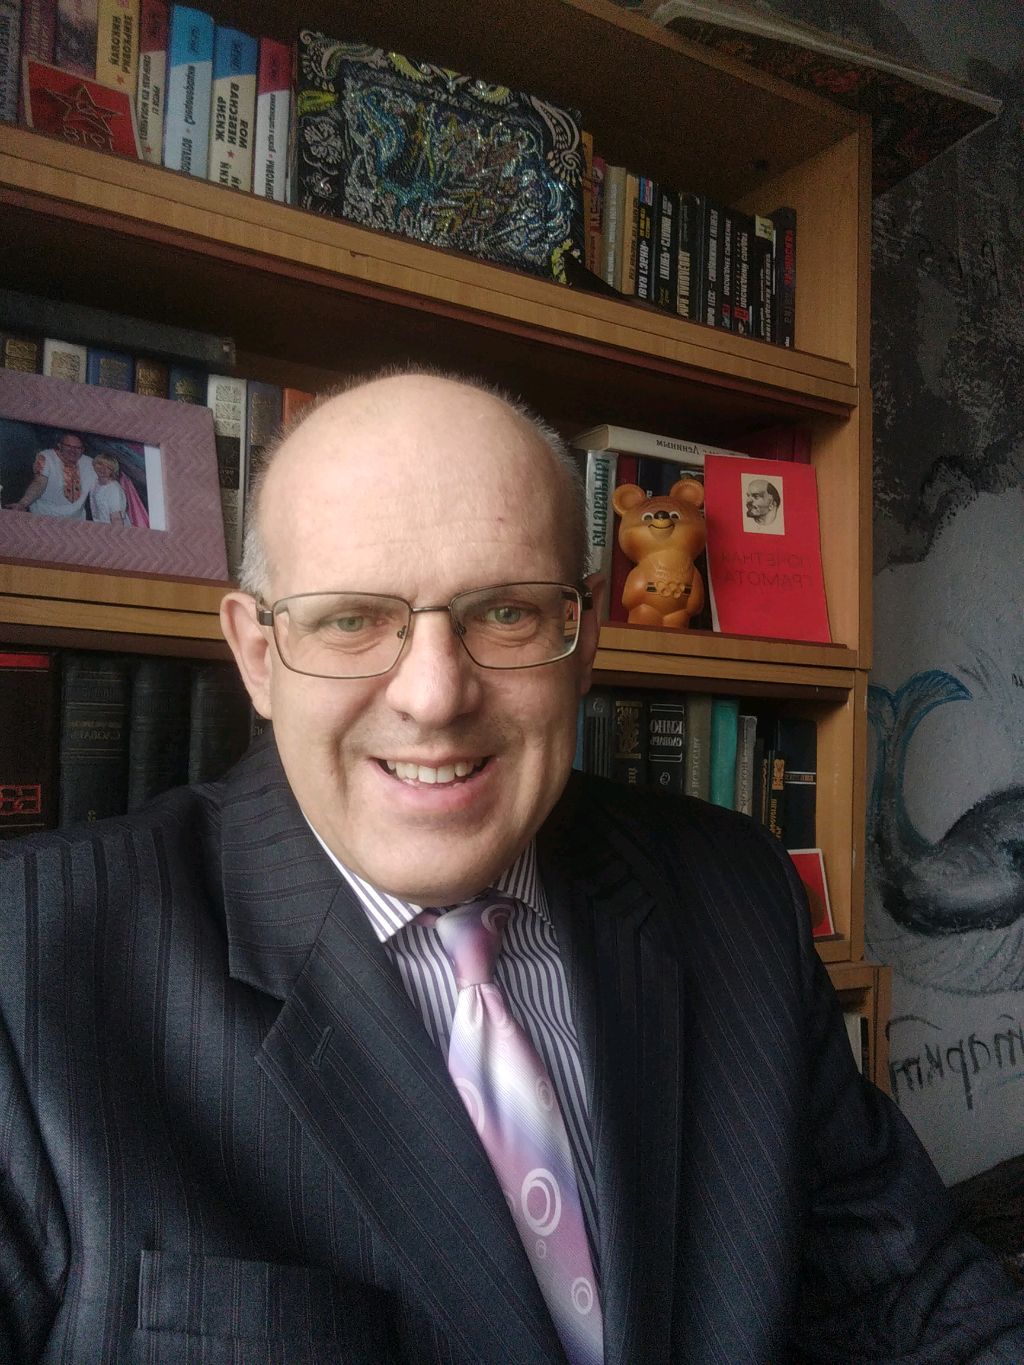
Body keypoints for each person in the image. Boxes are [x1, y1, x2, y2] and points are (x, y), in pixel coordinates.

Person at [1, 370, 1022, 1364]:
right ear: (259, 656)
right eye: (351, 619)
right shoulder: (25, 961)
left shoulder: (735, 891)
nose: (435, 696)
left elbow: (903, 1295)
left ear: (584, 637)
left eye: (505, 613)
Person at [4, 430, 96, 517]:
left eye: (78, 448)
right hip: (41, 516)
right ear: (59, 445)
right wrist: (22, 504)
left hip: (75, 522)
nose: (73, 450)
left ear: (83, 449)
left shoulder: (91, 463)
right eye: (68, 446)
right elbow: (39, 483)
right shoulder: (46, 457)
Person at [87, 452, 131, 525]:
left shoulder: (114, 490)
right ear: (94, 464)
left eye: (108, 467)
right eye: (100, 464)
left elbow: (117, 519)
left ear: (113, 471)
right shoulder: (95, 482)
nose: (103, 469)